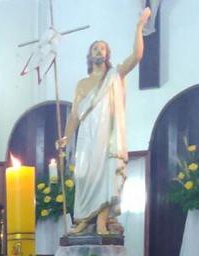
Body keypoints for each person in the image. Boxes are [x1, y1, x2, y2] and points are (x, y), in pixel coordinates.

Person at [57, 7, 151, 236]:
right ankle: (82, 219)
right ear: (89, 56)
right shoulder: (82, 84)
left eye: (102, 48)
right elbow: (74, 116)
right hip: (87, 139)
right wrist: (65, 139)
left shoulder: (115, 75)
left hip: (106, 135)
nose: (99, 50)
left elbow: (137, 56)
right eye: (95, 48)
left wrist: (139, 27)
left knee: (107, 174)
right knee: (85, 176)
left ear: (107, 55)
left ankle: (101, 222)